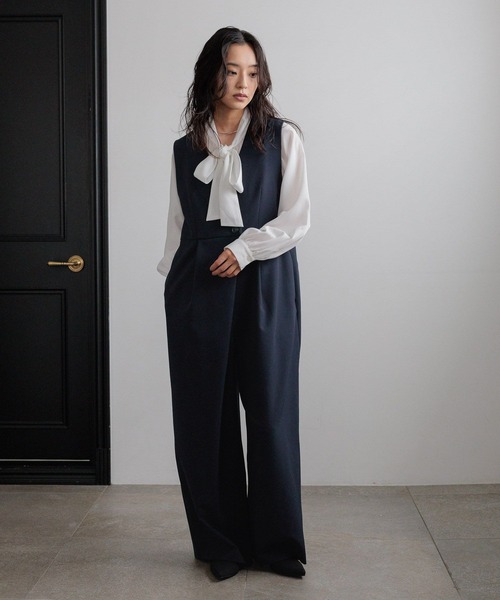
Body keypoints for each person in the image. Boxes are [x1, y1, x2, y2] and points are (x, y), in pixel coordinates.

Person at [158, 26, 310, 581]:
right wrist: (176, 286)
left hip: (264, 280)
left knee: (271, 409)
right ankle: (220, 543)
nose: (243, 82)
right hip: (198, 284)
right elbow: (177, 225)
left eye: (252, 71)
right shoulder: (185, 148)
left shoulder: (282, 137)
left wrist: (246, 249)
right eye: (231, 71)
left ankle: (277, 543)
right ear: (211, 75)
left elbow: (297, 218)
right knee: (205, 415)